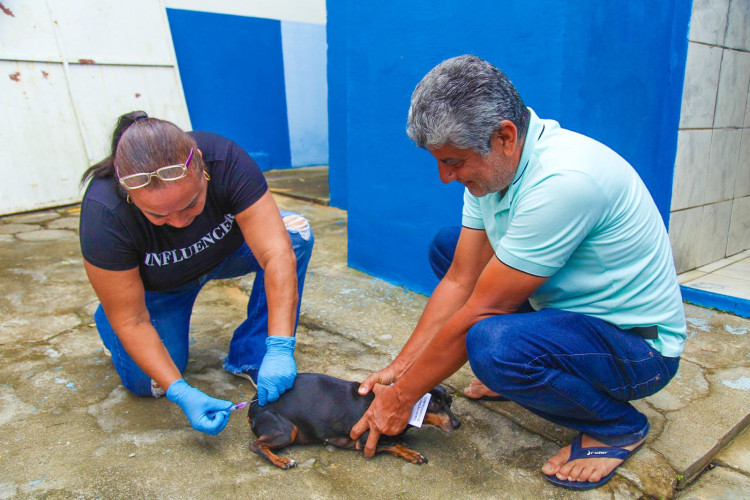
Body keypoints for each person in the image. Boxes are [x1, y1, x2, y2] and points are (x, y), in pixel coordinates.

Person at [350, 55, 686, 490]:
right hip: (570, 315)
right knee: (449, 247)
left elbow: (482, 310)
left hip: (638, 349)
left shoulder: (563, 182)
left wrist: (401, 399)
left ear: (504, 136)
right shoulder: (495, 169)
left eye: (453, 161)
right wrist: (401, 367)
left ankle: (616, 426)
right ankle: (534, 368)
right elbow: (460, 279)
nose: (444, 177)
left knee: (492, 346)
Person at [79, 111, 314, 435]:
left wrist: (280, 346)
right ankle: (110, 315)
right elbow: (132, 321)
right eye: (158, 215)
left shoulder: (225, 159)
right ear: (129, 194)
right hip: (160, 288)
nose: (178, 222)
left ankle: (252, 352)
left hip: (223, 255)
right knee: (149, 384)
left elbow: (275, 253)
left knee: (295, 234)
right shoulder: (104, 212)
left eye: (190, 204)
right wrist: (180, 390)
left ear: (202, 167)